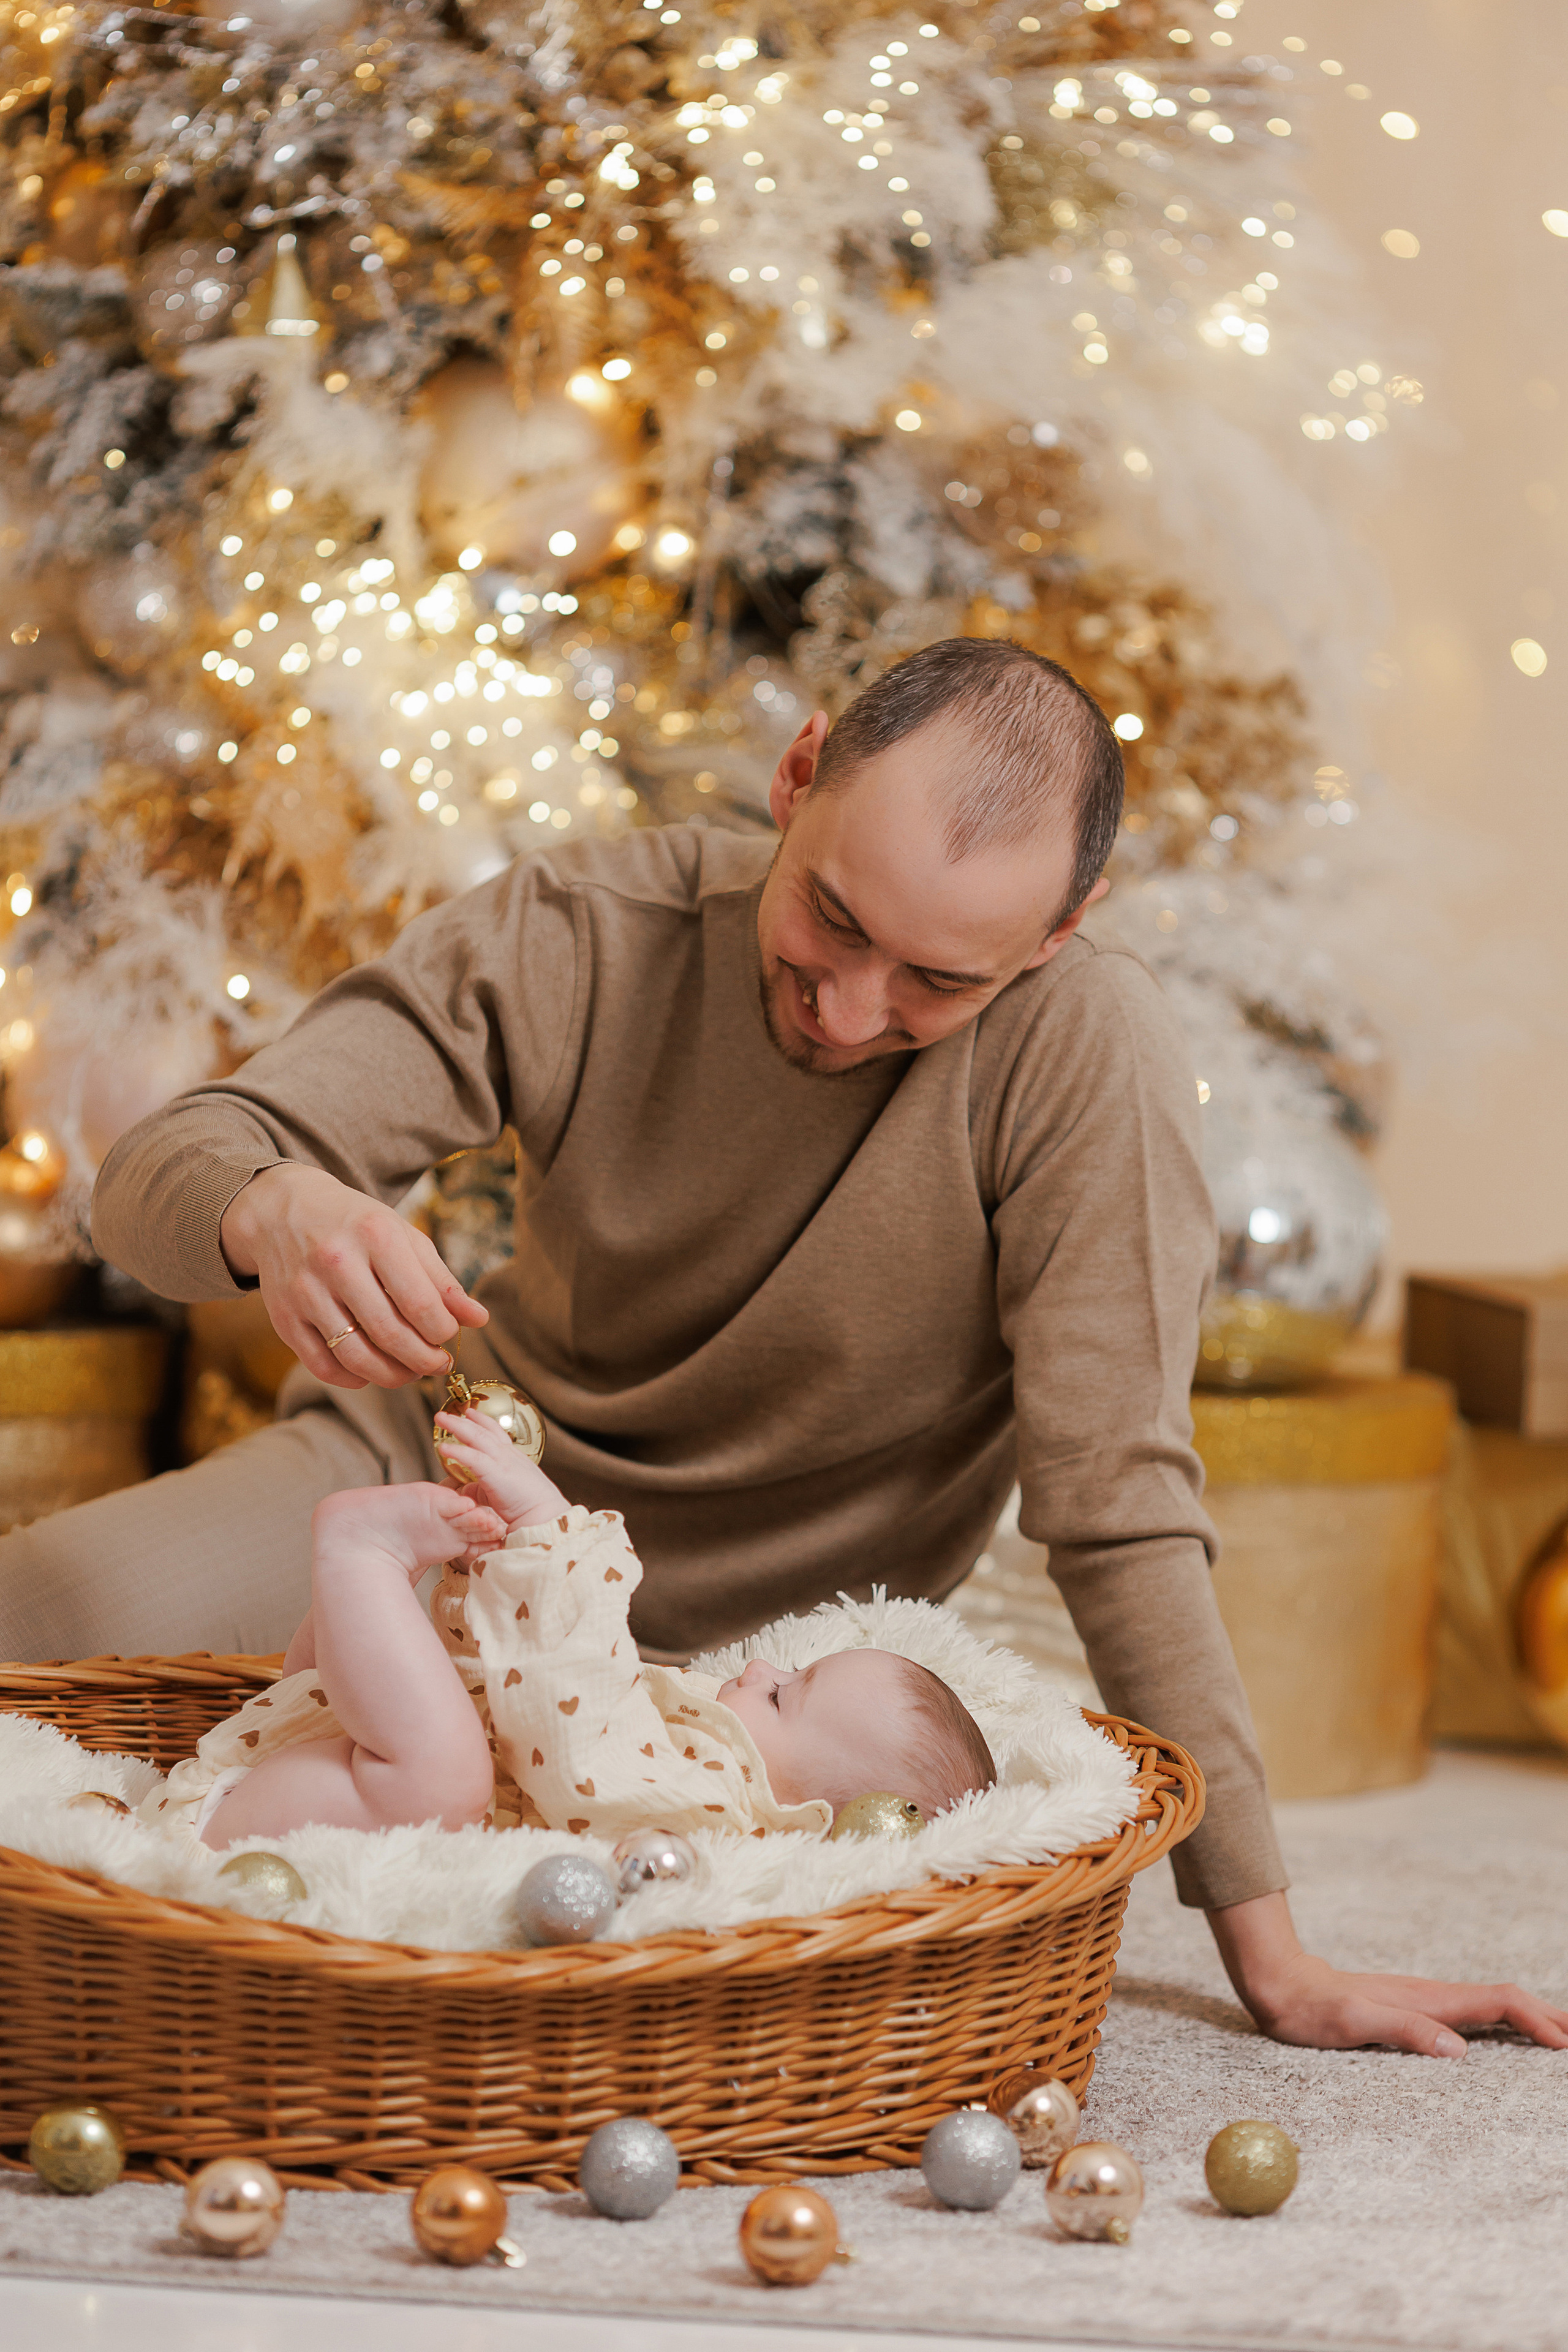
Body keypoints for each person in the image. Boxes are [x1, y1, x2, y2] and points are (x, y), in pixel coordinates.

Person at [3, 636, 1562, 2060]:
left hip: (762, 1688)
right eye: (829, 915)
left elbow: (1119, 1500)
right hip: (458, 1512)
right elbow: (168, 1166)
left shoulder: (1086, 1052)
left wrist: (1269, 1949)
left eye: (937, 982)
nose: (846, 1008)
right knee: (35, 1616)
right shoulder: (586, 927)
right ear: (797, 774)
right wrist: (275, 1204)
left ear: (1056, 932)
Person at [146, 1401, 994, 1851]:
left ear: (811, 1815)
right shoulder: (703, 1741)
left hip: (266, 1821)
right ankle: (366, 1576)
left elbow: (576, 1728)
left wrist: (554, 1541)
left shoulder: (716, 1815)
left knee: (444, 1780)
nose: (767, 1670)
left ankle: (361, 1560)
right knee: (440, 1741)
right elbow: (537, 1697)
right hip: (305, 1782)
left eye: (786, 1698)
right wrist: (493, 1584)